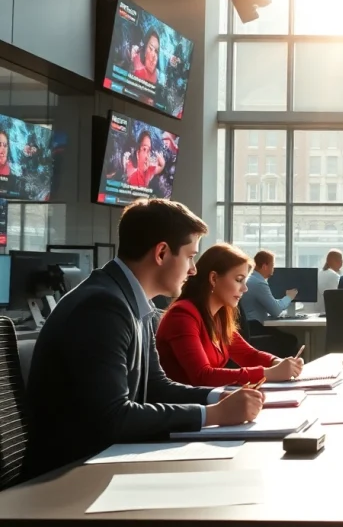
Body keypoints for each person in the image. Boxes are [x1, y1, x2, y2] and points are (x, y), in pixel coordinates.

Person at [22, 199, 262, 481]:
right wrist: (212, 415)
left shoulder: (132, 302)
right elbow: (113, 417)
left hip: (101, 463)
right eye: (189, 256)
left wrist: (218, 397)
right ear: (161, 253)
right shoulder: (102, 307)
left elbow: (155, 386)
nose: (193, 269)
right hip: (65, 480)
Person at [157, 243, 304, 387]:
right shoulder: (183, 315)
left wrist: (277, 363)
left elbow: (248, 355)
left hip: (208, 401)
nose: (245, 288)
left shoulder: (218, 316)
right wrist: (269, 373)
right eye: (239, 280)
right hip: (184, 406)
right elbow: (202, 376)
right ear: (213, 278)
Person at [238, 250, 299, 357]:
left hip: (246, 327)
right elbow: (275, 310)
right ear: (265, 266)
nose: (274, 269)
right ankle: (286, 370)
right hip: (253, 327)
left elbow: (271, 304)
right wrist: (289, 297)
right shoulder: (259, 283)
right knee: (291, 340)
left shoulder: (250, 279)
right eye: (272, 265)